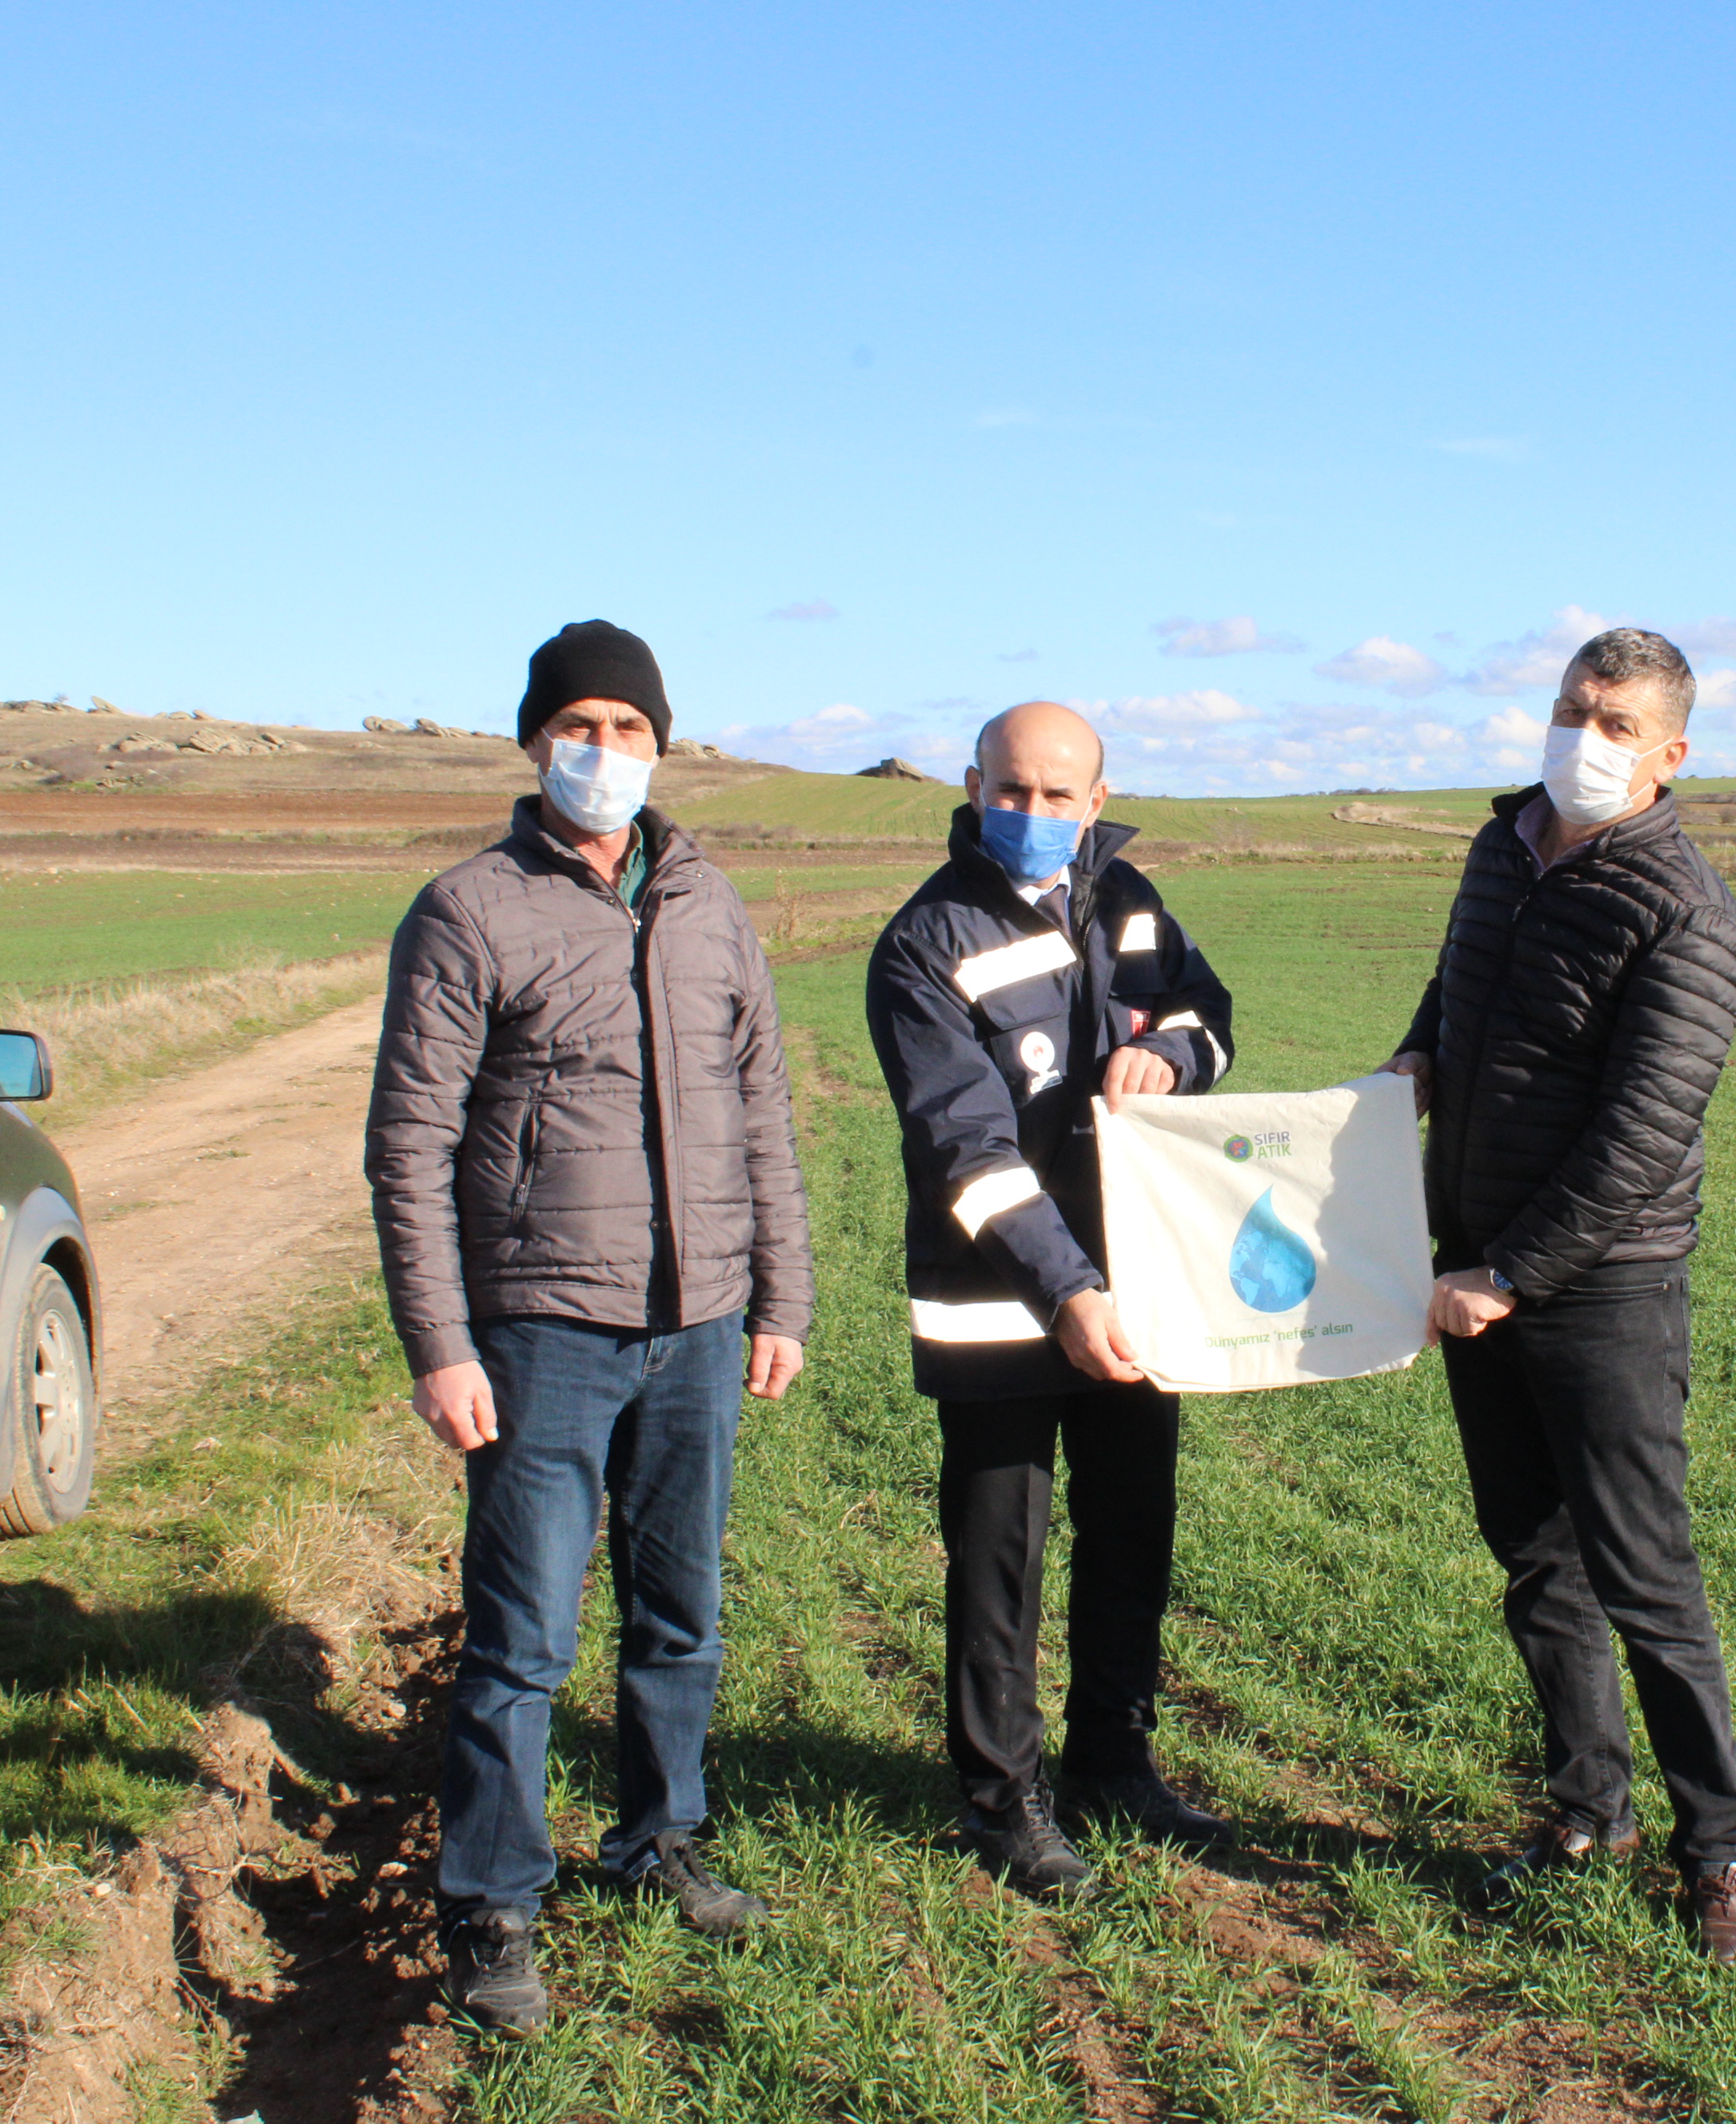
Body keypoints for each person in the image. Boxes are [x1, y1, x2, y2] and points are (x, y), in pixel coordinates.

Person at [366, 620, 813, 2032]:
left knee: (678, 1613)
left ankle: (660, 1837)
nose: (605, 751)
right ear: (534, 740)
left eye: (630, 728)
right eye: (582, 725)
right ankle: (494, 1902)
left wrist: (779, 1298)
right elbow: (409, 1148)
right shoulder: (469, 909)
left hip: (698, 1321)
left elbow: (765, 1119)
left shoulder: (711, 905)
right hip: (541, 1332)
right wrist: (441, 1344)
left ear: (662, 747)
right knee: (521, 1638)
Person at [1382, 626, 1736, 1964]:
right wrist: (1418, 1058)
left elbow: (1643, 1131)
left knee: (1644, 1577)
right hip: (1472, 1264)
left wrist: (1511, 1275)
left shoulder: (1686, 911)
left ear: (1671, 755)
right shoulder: (1503, 847)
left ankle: (1720, 1853)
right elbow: (1464, 984)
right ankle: (1585, 1807)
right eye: (1569, 710)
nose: (1583, 740)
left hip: (1599, 1288)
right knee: (1535, 1561)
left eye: (1615, 725)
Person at [865, 701, 1237, 1898]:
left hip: (1142, 1283)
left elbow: (1209, 1017)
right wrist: (1068, 1293)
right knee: (1000, 1559)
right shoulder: (924, 944)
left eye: (1056, 796)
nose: (1032, 815)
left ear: (1095, 796)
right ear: (975, 786)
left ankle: (1114, 1767)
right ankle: (1000, 1797)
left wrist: (1168, 1056)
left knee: (1133, 1533)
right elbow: (963, 1151)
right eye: (1010, 792)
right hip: (1001, 1309)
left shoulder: (1126, 899)